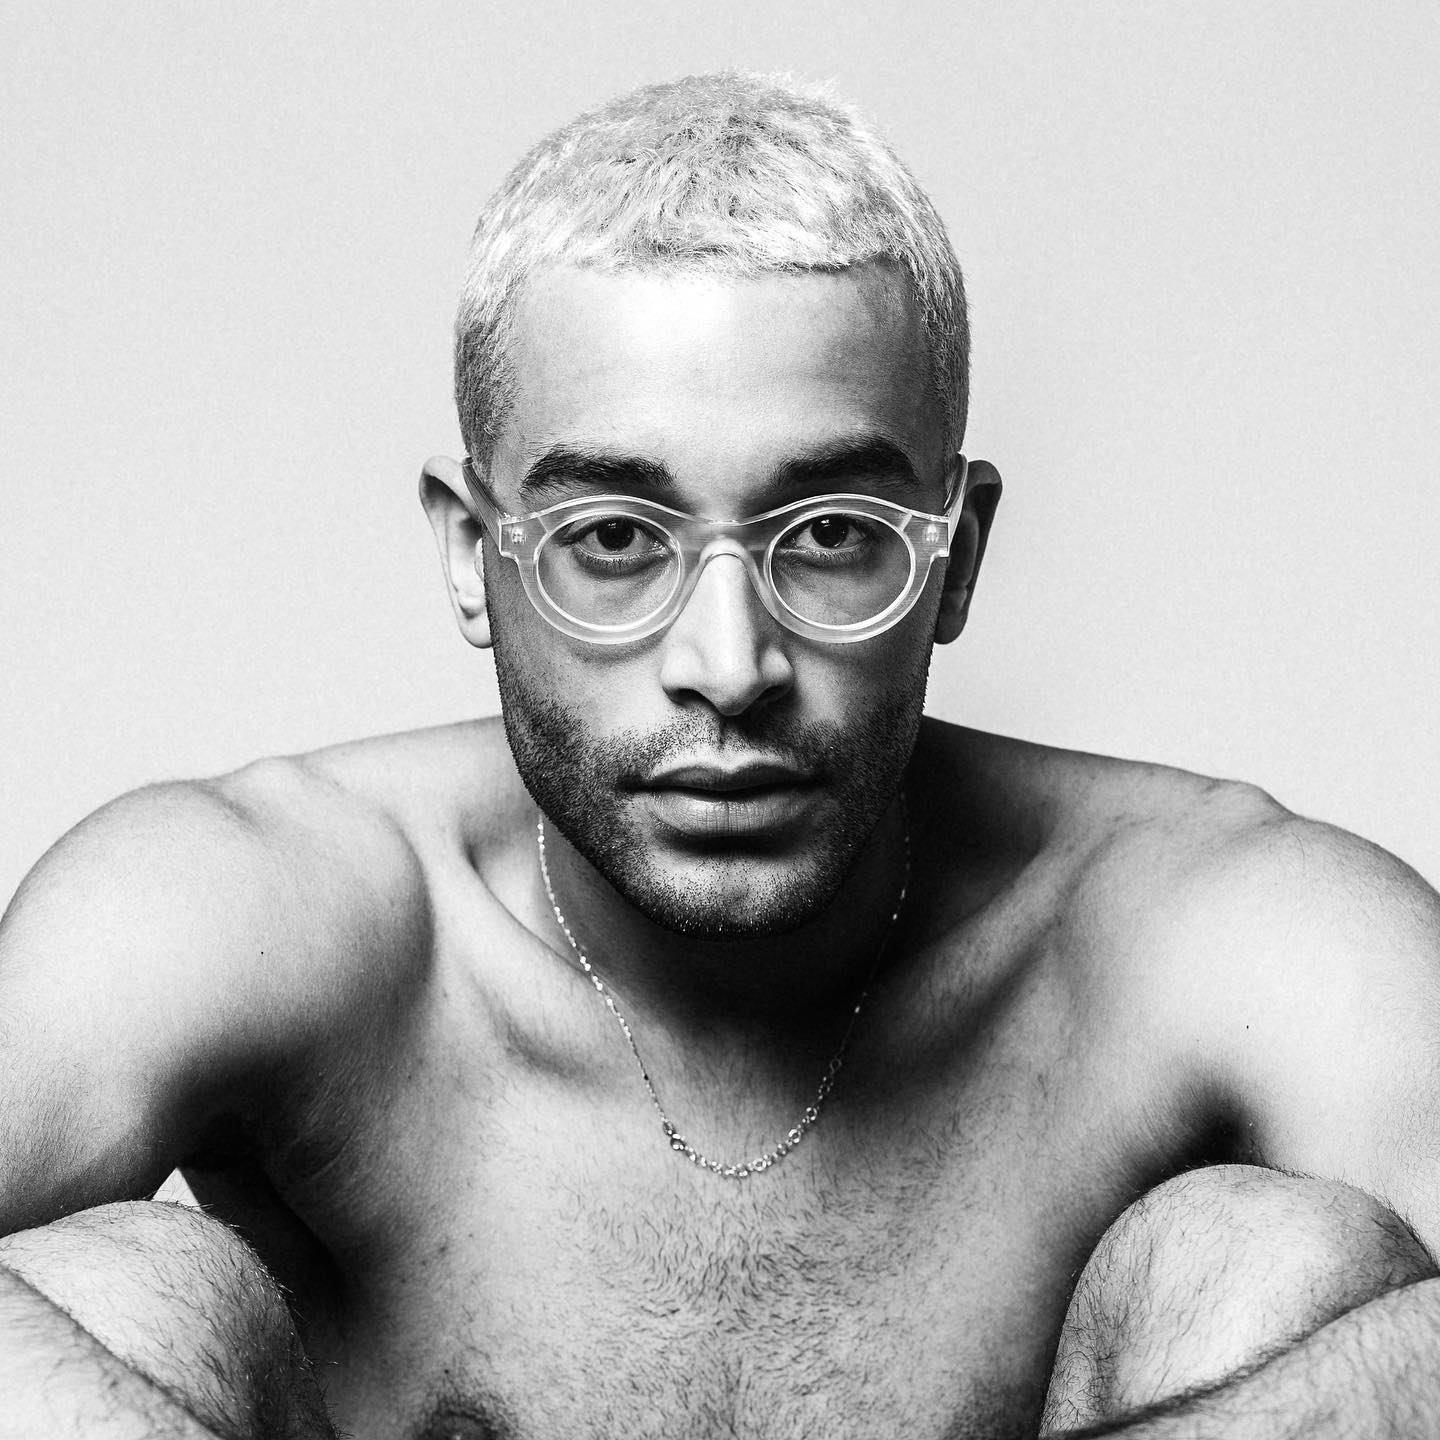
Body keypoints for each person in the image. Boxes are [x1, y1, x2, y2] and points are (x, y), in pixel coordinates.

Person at [2, 71, 1438, 1440]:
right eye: (613, 540)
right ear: (471, 554)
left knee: (1273, 1258)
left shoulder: (1207, 923)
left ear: (953, 559)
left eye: (832, 536)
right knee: (113, 1288)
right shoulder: (261, 906)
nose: (730, 663)